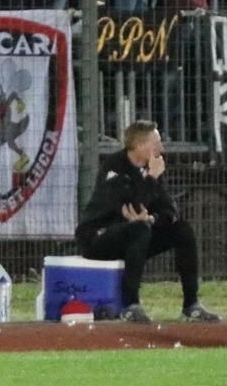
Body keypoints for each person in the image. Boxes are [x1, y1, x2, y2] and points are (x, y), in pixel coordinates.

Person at [74, 120, 219, 324]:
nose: (162, 148)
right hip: (99, 238)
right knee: (139, 229)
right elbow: (132, 206)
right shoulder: (114, 167)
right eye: (157, 143)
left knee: (182, 230)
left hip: (135, 235)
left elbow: (169, 209)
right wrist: (151, 178)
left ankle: (191, 305)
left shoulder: (152, 169)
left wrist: (152, 218)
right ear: (140, 145)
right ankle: (130, 305)